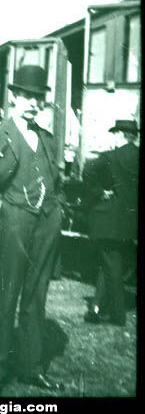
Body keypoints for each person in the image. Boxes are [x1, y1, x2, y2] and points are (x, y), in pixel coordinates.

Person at [0, 65, 65, 395]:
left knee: (36, 299)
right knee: (5, 299)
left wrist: (58, 210)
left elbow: (57, 181)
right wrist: (1, 207)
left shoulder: (47, 139)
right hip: (13, 223)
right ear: (14, 98)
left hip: (45, 226)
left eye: (37, 97)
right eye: (26, 96)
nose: (32, 103)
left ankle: (31, 367)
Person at [82, 119, 139, 327]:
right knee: (113, 263)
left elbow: (87, 171)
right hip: (129, 222)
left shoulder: (110, 157)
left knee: (111, 265)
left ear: (122, 135)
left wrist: (100, 192)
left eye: (115, 133)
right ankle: (96, 307)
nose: (113, 137)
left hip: (108, 221)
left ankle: (117, 315)